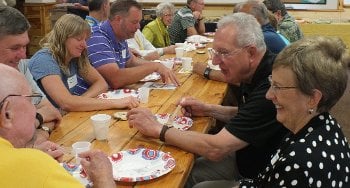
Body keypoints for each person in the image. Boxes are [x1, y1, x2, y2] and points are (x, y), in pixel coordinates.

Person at [127, 13, 289, 187]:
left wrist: (157, 128)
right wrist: (207, 109)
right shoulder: (255, 71)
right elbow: (247, 114)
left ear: (250, 52)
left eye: (223, 53)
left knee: (179, 180)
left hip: (260, 174)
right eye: (215, 51)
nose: (214, 60)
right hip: (245, 156)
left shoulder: (271, 87)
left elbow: (216, 149)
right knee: (182, 169)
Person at [239, 36, 350, 187]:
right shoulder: (324, 123)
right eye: (271, 83)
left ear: (313, 98)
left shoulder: (300, 164)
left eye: (278, 86)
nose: (269, 95)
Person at [0, 63, 115, 188]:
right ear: (7, 114)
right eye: (30, 100)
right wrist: (104, 179)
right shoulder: (33, 165)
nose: (35, 109)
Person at [28, 14, 139, 112]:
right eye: (79, 39)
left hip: (65, 117)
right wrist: (116, 103)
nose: (85, 45)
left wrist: (81, 100)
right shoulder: (44, 60)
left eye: (85, 40)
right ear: (62, 37)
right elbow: (66, 103)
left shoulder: (75, 56)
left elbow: (101, 83)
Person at [0, 6, 62, 144]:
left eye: (24, 46)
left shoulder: (18, 65)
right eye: (15, 48)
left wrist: (40, 131)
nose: (23, 55)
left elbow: (51, 111)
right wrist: (39, 120)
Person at [87, 0, 180, 89]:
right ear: (118, 19)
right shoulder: (97, 38)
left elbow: (131, 61)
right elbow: (116, 79)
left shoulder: (120, 35)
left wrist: (159, 65)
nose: (139, 26)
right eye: (134, 22)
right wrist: (154, 66)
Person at [193, 0, 288, 83]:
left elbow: (238, 79)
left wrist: (207, 71)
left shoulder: (262, 39)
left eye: (239, 18)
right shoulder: (268, 33)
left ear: (253, 20)